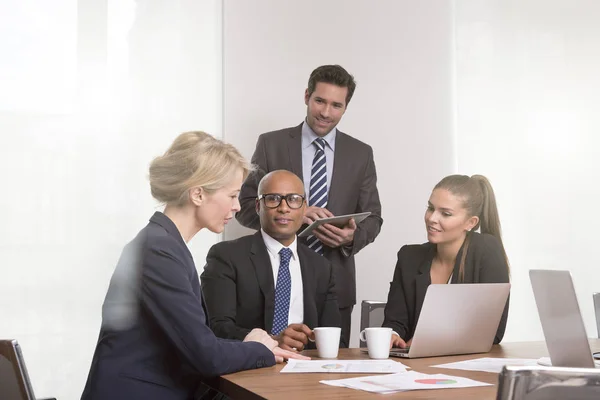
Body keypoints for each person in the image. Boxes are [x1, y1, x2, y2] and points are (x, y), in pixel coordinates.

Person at [81, 132, 307, 400]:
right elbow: (204, 355)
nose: (237, 207)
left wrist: (248, 342)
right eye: (232, 195)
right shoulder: (159, 251)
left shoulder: (163, 244)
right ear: (198, 194)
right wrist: (262, 349)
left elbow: (194, 341)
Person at [236, 65, 383, 346]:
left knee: (330, 375)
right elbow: (245, 205)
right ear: (306, 96)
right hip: (273, 280)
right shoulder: (271, 144)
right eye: (320, 101)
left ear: (345, 108)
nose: (326, 113)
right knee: (268, 365)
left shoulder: (360, 153)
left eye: (336, 105)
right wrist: (293, 215)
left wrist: (351, 237)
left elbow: (374, 218)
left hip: (335, 285)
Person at [201, 170, 344, 351]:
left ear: (304, 207)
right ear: (258, 206)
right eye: (273, 198)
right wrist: (272, 341)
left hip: (305, 368)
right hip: (249, 368)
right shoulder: (227, 256)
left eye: (293, 199)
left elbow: (334, 336)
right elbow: (217, 327)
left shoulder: (321, 267)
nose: (284, 208)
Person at [382, 174, 510, 348]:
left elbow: (493, 332)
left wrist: (432, 342)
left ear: (470, 223)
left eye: (446, 213)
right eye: (430, 208)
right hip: (415, 367)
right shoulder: (409, 257)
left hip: (466, 365)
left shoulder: (486, 251)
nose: (432, 218)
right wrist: (393, 335)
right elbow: (396, 321)